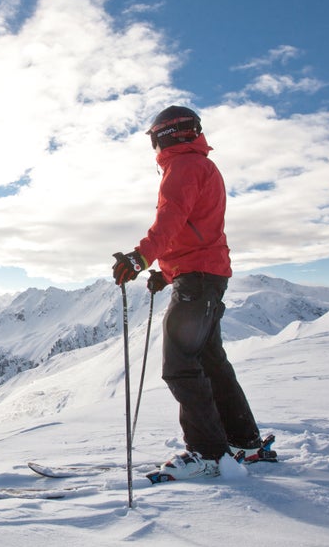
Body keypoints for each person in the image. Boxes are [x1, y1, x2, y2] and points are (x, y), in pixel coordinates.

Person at [111, 105, 266, 481]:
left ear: (168, 134)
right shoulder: (200, 165)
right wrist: (167, 273)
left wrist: (141, 257)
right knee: (211, 362)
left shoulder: (183, 167)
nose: (153, 146)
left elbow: (171, 220)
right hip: (205, 276)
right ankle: (244, 441)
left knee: (180, 366)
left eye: (154, 137)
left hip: (198, 281)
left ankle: (208, 453)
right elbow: (196, 230)